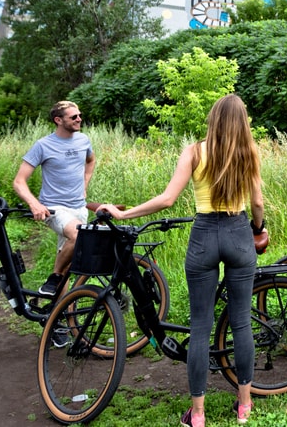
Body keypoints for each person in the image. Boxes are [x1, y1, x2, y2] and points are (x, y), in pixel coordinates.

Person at [100, 94, 265, 427]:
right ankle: (244, 405)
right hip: (238, 232)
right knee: (242, 322)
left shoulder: (194, 151)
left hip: (204, 235)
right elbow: (258, 203)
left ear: (213, 119)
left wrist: (123, 212)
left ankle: (198, 414)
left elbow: (167, 199)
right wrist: (258, 229)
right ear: (242, 121)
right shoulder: (249, 152)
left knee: (201, 326)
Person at [13, 101, 97, 298]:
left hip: (79, 208)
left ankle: (61, 317)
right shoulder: (43, 145)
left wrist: (85, 184)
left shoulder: (83, 140)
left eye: (79, 115)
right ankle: (54, 276)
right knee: (78, 235)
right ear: (58, 120)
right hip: (54, 208)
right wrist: (35, 204)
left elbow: (91, 160)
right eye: (73, 117)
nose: (79, 119)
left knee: (69, 264)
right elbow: (18, 182)